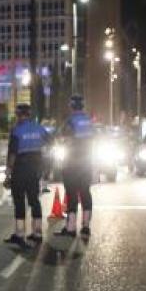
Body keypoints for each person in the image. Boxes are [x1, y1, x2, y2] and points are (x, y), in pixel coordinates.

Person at [4, 102, 51, 245]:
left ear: (18, 115)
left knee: (19, 200)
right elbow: (50, 142)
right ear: (29, 114)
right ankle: (37, 232)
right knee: (34, 199)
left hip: (20, 167)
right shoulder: (39, 128)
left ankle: (20, 234)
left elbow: (12, 153)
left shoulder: (17, 130)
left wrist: (8, 172)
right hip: (35, 168)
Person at [57, 95, 95, 238]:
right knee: (85, 192)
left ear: (71, 106)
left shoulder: (70, 121)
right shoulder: (89, 121)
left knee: (71, 193)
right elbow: (95, 138)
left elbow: (64, 139)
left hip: (72, 162)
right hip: (87, 162)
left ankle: (71, 227)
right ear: (83, 106)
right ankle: (86, 226)